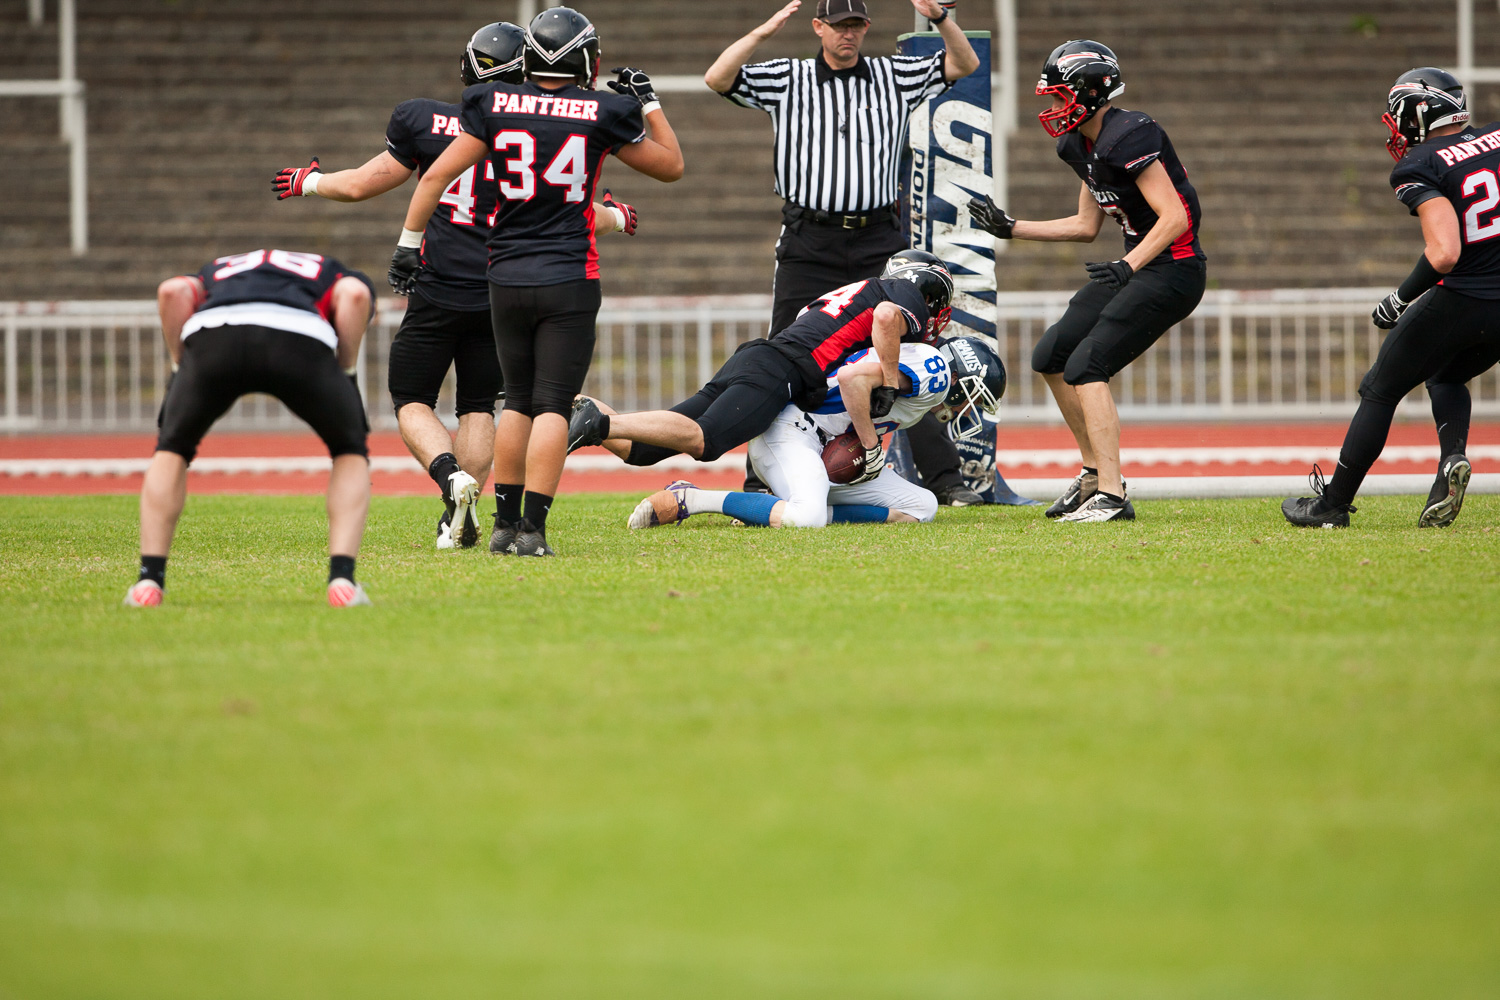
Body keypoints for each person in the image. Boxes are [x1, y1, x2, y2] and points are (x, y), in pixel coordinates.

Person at [272, 22, 637, 550]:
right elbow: (576, 208)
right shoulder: (541, 122)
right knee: (480, 407)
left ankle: (451, 481)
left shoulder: (428, 119)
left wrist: (309, 181)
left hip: (440, 286)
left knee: (411, 397)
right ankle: (458, 516)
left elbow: (360, 184)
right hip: (500, 284)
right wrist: (618, 215)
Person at [389, 6, 683, 557]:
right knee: (552, 404)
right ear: (584, 58)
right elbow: (671, 165)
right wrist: (649, 103)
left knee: (518, 403)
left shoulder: (491, 104)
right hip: (569, 272)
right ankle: (534, 532)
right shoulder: (603, 111)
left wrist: (408, 245)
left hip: (504, 274)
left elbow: (434, 175)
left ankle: (502, 528)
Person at [705, 0, 986, 506]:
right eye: (838, 26)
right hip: (810, 238)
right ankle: (759, 479)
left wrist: (941, 20)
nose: (847, 35)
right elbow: (717, 77)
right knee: (784, 352)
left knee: (909, 350)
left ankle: (945, 480)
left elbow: (965, 64)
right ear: (818, 27)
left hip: (878, 236)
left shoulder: (892, 75)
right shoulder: (787, 77)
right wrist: (764, 32)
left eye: (855, 26)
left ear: (866, 29)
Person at [969, 40, 1207, 522]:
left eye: (1059, 96)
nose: (1054, 108)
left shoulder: (1129, 134)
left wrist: (1128, 266)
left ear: (1088, 92)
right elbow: (1085, 226)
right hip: (1139, 265)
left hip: (1174, 270)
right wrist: (1013, 227)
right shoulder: (1079, 142)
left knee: (1087, 365)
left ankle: (1113, 495)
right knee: (1051, 356)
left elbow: (1176, 218)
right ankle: (1095, 473)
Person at [1282, 68, 1500, 529]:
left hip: (1465, 295)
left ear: (1419, 113)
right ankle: (1450, 464)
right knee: (1445, 375)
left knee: (1380, 388)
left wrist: (1400, 299)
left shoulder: (1420, 162)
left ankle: (1332, 504)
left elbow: (1444, 253)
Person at [568, 249, 956, 489]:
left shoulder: (860, 291)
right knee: (706, 440)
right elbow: (888, 317)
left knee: (639, 451)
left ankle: (565, 403)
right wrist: (889, 384)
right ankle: (596, 423)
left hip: (759, 357)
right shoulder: (899, 295)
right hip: (779, 369)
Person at [123, 250, 378, 608]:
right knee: (349, 450)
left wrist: (182, 369)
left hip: (215, 335)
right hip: (299, 336)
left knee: (173, 449)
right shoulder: (331, 271)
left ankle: (148, 582)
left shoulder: (219, 269)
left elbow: (172, 292)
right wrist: (346, 372)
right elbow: (355, 296)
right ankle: (342, 580)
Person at [626, 336, 1004, 530]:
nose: (966, 409)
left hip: (818, 445)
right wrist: (871, 446)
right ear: (962, 381)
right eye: (972, 398)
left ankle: (771, 508)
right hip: (793, 430)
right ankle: (691, 498)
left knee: (922, 507)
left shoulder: (924, 362)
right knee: (805, 519)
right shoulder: (935, 374)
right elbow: (852, 377)